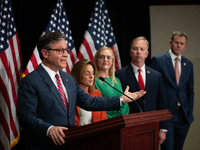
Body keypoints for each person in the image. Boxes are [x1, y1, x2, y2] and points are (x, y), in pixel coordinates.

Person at [17, 32, 146, 150]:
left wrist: (122, 99)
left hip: (71, 144)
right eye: (60, 51)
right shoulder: (31, 81)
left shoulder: (68, 78)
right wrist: (49, 129)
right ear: (45, 53)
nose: (66, 55)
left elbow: (89, 102)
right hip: (44, 145)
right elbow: (26, 116)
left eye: (66, 50)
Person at [115, 36, 168, 144]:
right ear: (130, 52)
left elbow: (162, 103)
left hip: (152, 126)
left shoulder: (156, 75)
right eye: (135, 49)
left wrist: (163, 129)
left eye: (142, 49)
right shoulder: (119, 74)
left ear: (147, 54)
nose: (138, 52)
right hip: (129, 127)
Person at [149, 31, 194, 150]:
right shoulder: (158, 61)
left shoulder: (188, 64)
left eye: (182, 43)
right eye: (176, 42)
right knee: (168, 148)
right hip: (166, 114)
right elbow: (152, 90)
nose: (179, 45)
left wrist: (189, 111)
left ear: (185, 46)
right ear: (170, 43)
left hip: (183, 116)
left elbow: (190, 91)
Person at [93, 46, 129, 118]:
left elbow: (125, 105)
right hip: (105, 122)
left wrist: (118, 117)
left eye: (109, 57)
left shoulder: (117, 81)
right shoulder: (93, 80)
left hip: (121, 121)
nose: (105, 60)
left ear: (112, 61)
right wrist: (112, 118)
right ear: (96, 60)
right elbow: (96, 105)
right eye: (102, 57)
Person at [71, 59, 108, 126]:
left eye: (93, 73)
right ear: (78, 75)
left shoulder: (97, 94)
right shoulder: (71, 95)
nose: (91, 76)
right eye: (87, 74)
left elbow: (104, 119)